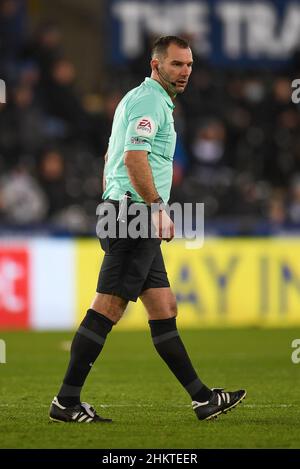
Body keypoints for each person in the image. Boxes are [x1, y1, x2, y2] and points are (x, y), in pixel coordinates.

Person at [49, 36, 246, 423]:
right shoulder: (150, 101)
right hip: (133, 216)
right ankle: (65, 402)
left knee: (163, 307)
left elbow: (112, 154)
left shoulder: (138, 100)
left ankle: (204, 399)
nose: (185, 71)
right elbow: (133, 156)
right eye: (177, 64)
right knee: (108, 305)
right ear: (156, 65)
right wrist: (155, 208)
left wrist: (115, 194)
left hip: (126, 211)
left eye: (189, 65)